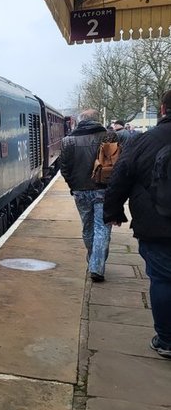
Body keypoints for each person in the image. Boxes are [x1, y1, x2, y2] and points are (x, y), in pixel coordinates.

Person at [104, 91, 171, 359]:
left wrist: (113, 211)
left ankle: (166, 340)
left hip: (157, 224)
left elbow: (119, 178)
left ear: (162, 109)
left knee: (163, 280)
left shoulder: (143, 141)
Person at [60, 109, 116, 282]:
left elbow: (64, 169)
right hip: (103, 189)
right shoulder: (109, 137)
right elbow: (118, 164)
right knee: (102, 228)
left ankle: (93, 259)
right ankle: (96, 266)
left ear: (80, 121)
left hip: (80, 191)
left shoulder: (67, 141)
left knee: (87, 227)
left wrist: (73, 185)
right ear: (97, 120)